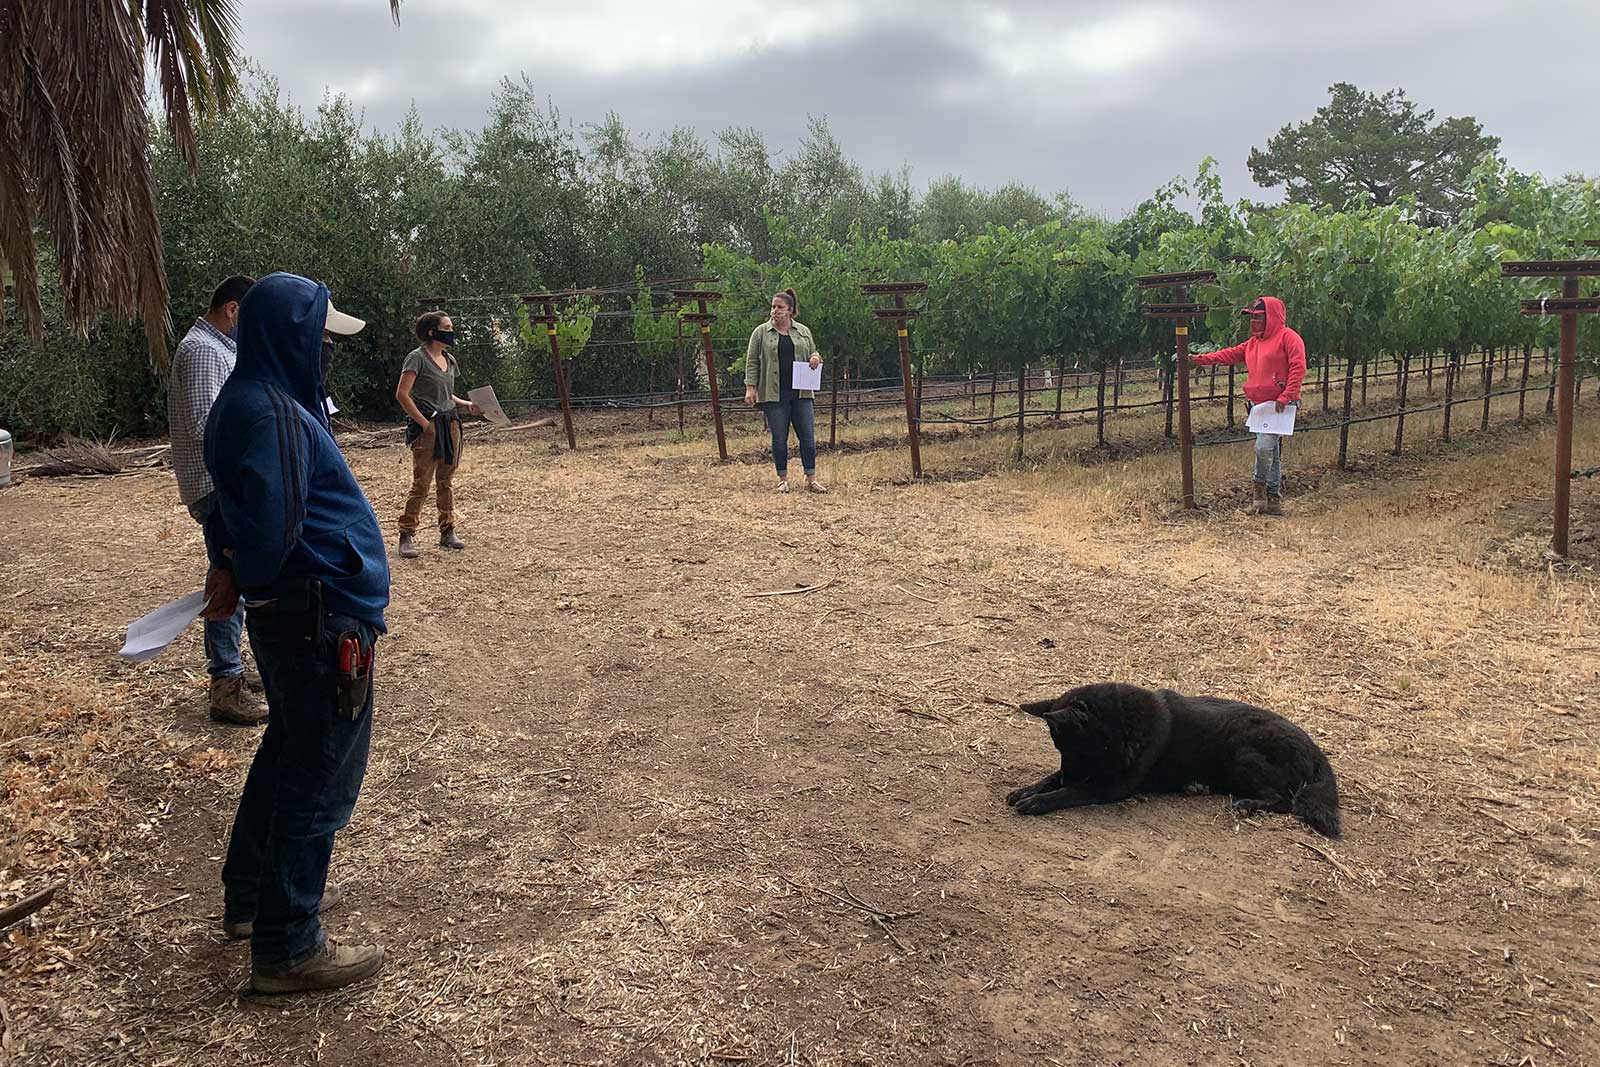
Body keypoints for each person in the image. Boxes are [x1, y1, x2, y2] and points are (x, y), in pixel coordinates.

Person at [200, 272, 389, 994]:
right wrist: (243, 567)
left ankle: (251, 896)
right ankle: (289, 942)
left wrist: (228, 563)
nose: (326, 352)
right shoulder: (274, 412)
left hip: (295, 617)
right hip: (319, 619)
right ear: (289, 336)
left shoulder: (244, 401)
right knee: (318, 774)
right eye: (321, 337)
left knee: (287, 751)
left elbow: (229, 506)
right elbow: (275, 533)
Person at [166, 274, 267, 726]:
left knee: (236, 576)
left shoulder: (216, 348)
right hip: (216, 485)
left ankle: (235, 674)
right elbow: (213, 430)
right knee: (230, 579)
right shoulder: (205, 352)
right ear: (232, 310)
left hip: (219, 483)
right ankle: (226, 684)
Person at [1191, 296, 1306, 515]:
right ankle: (1273, 501)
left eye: (1258, 317)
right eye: (1251, 317)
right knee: (1271, 450)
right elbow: (1229, 354)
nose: (1253, 322)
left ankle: (1258, 490)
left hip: (1279, 405)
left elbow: (1298, 368)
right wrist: (1200, 359)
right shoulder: (1253, 343)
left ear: (1271, 317)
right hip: (1258, 405)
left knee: (1263, 447)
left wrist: (1286, 396)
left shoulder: (1288, 338)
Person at [395, 310, 480, 558]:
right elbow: (402, 394)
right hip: (429, 427)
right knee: (421, 483)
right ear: (432, 332)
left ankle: (447, 530)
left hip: (450, 424)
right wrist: (423, 423)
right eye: (447, 326)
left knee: (446, 480)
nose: (451, 331)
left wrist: (465, 405)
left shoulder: (449, 360)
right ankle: (406, 534)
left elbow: (445, 393)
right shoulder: (416, 358)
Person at [743, 289, 826, 493]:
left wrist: (815, 358)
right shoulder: (761, 332)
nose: (775, 311)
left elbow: (813, 351)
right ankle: (783, 478)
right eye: (773, 307)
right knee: (779, 438)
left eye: (780, 307)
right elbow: (752, 361)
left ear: (790, 310)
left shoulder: (803, 331)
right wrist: (750, 388)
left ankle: (811, 478)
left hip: (801, 392)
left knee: (807, 436)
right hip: (774, 393)